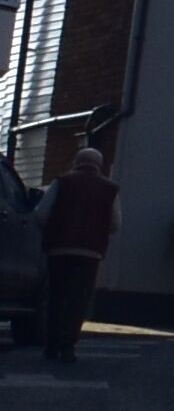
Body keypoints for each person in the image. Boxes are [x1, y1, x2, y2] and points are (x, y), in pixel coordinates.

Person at [41, 142, 118, 363]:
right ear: (99, 165)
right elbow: (115, 223)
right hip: (90, 252)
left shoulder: (62, 182)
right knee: (78, 299)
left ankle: (51, 345)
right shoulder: (109, 189)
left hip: (59, 248)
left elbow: (41, 214)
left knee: (57, 297)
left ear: (76, 162)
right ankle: (68, 346)